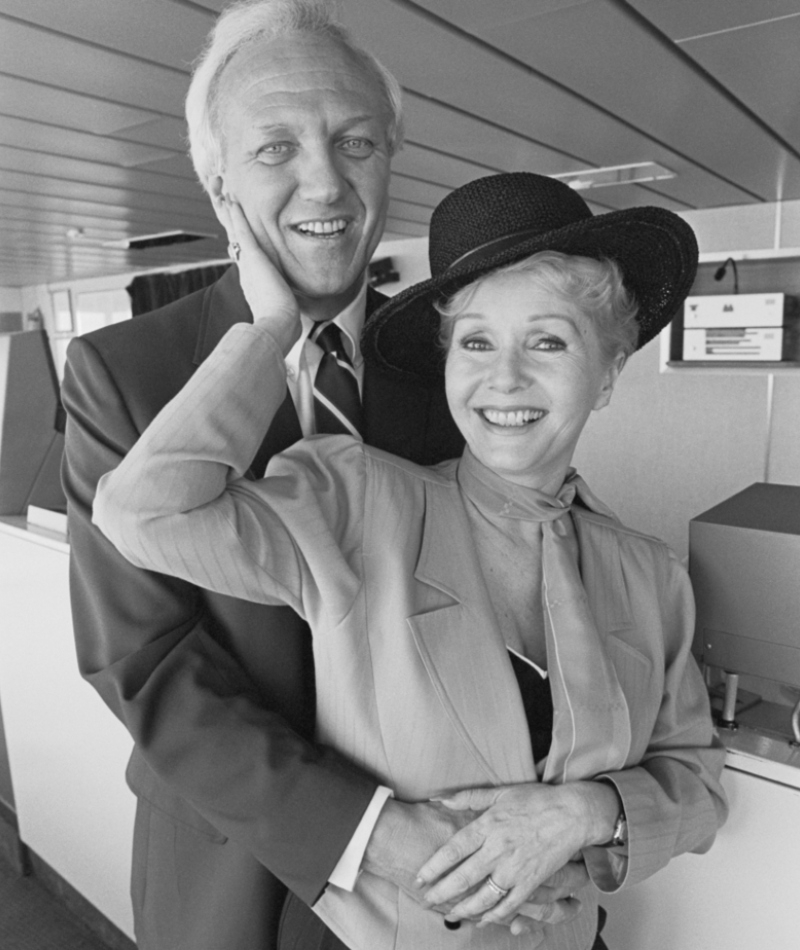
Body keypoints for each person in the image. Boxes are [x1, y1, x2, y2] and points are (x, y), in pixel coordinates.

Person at [92, 171, 729, 950]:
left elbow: (696, 777)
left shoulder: (649, 572)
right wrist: (271, 328)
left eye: (549, 341)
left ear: (607, 372)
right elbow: (141, 512)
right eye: (477, 342)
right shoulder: (357, 501)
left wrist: (588, 813)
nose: (506, 377)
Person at [62, 2, 583, 947]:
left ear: (391, 156)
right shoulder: (123, 373)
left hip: (445, 882)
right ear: (216, 181)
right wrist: (367, 828)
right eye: (274, 150)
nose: (325, 183)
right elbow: (143, 661)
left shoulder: (454, 362)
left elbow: (532, 575)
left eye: (355, 141)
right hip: (232, 874)